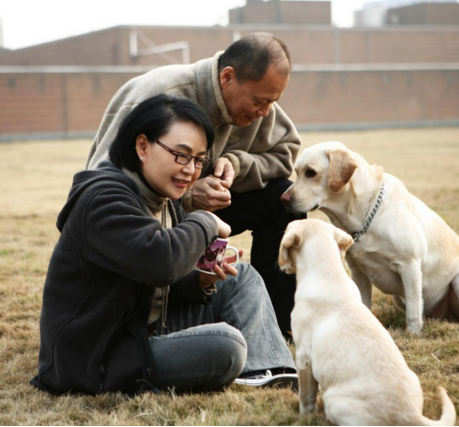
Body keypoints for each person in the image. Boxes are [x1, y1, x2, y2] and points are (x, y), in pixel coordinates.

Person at [31, 94, 296, 395]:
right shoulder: (102, 199)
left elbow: (155, 283)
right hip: (99, 356)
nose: (191, 170)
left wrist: (202, 281)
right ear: (142, 146)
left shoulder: (161, 197)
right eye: (181, 155)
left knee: (242, 277)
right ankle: (244, 365)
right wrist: (206, 222)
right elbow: (160, 261)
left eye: (199, 160)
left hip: (141, 327)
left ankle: (268, 371)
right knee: (228, 343)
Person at [86, 33, 305, 337]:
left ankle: (279, 326)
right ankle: (162, 311)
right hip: (142, 225)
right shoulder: (158, 94)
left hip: (204, 212)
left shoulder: (259, 104)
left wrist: (237, 164)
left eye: (272, 102)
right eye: (259, 102)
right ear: (228, 77)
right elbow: (103, 186)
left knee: (282, 199)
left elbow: (285, 153)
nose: (265, 113)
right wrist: (187, 197)